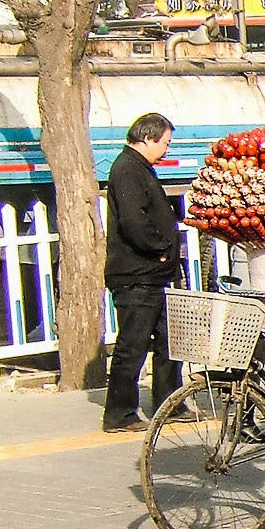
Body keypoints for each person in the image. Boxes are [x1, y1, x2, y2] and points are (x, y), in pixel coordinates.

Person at [101, 113, 180, 432]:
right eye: (165, 143)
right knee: (132, 345)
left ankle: (169, 403)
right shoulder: (127, 170)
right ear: (147, 139)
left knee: (169, 340)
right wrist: (159, 248)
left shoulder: (140, 168)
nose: (167, 149)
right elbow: (133, 221)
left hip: (153, 275)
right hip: (137, 275)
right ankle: (119, 412)